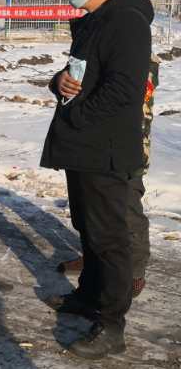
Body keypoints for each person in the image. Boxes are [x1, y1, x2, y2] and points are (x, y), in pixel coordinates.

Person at [41, 0, 152, 359]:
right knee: (88, 228)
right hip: (82, 144)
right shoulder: (93, 21)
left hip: (103, 147)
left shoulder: (126, 21)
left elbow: (124, 90)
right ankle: (88, 296)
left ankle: (111, 323)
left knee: (109, 238)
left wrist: (79, 116)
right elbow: (76, 73)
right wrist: (59, 83)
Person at [56, 53, 160, 299]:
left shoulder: (136, 48)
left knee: (127, 208)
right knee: (92, 208)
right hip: (98, 145)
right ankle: (93, 259)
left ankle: (135, 271)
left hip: (127, 147)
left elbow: (127, 99)